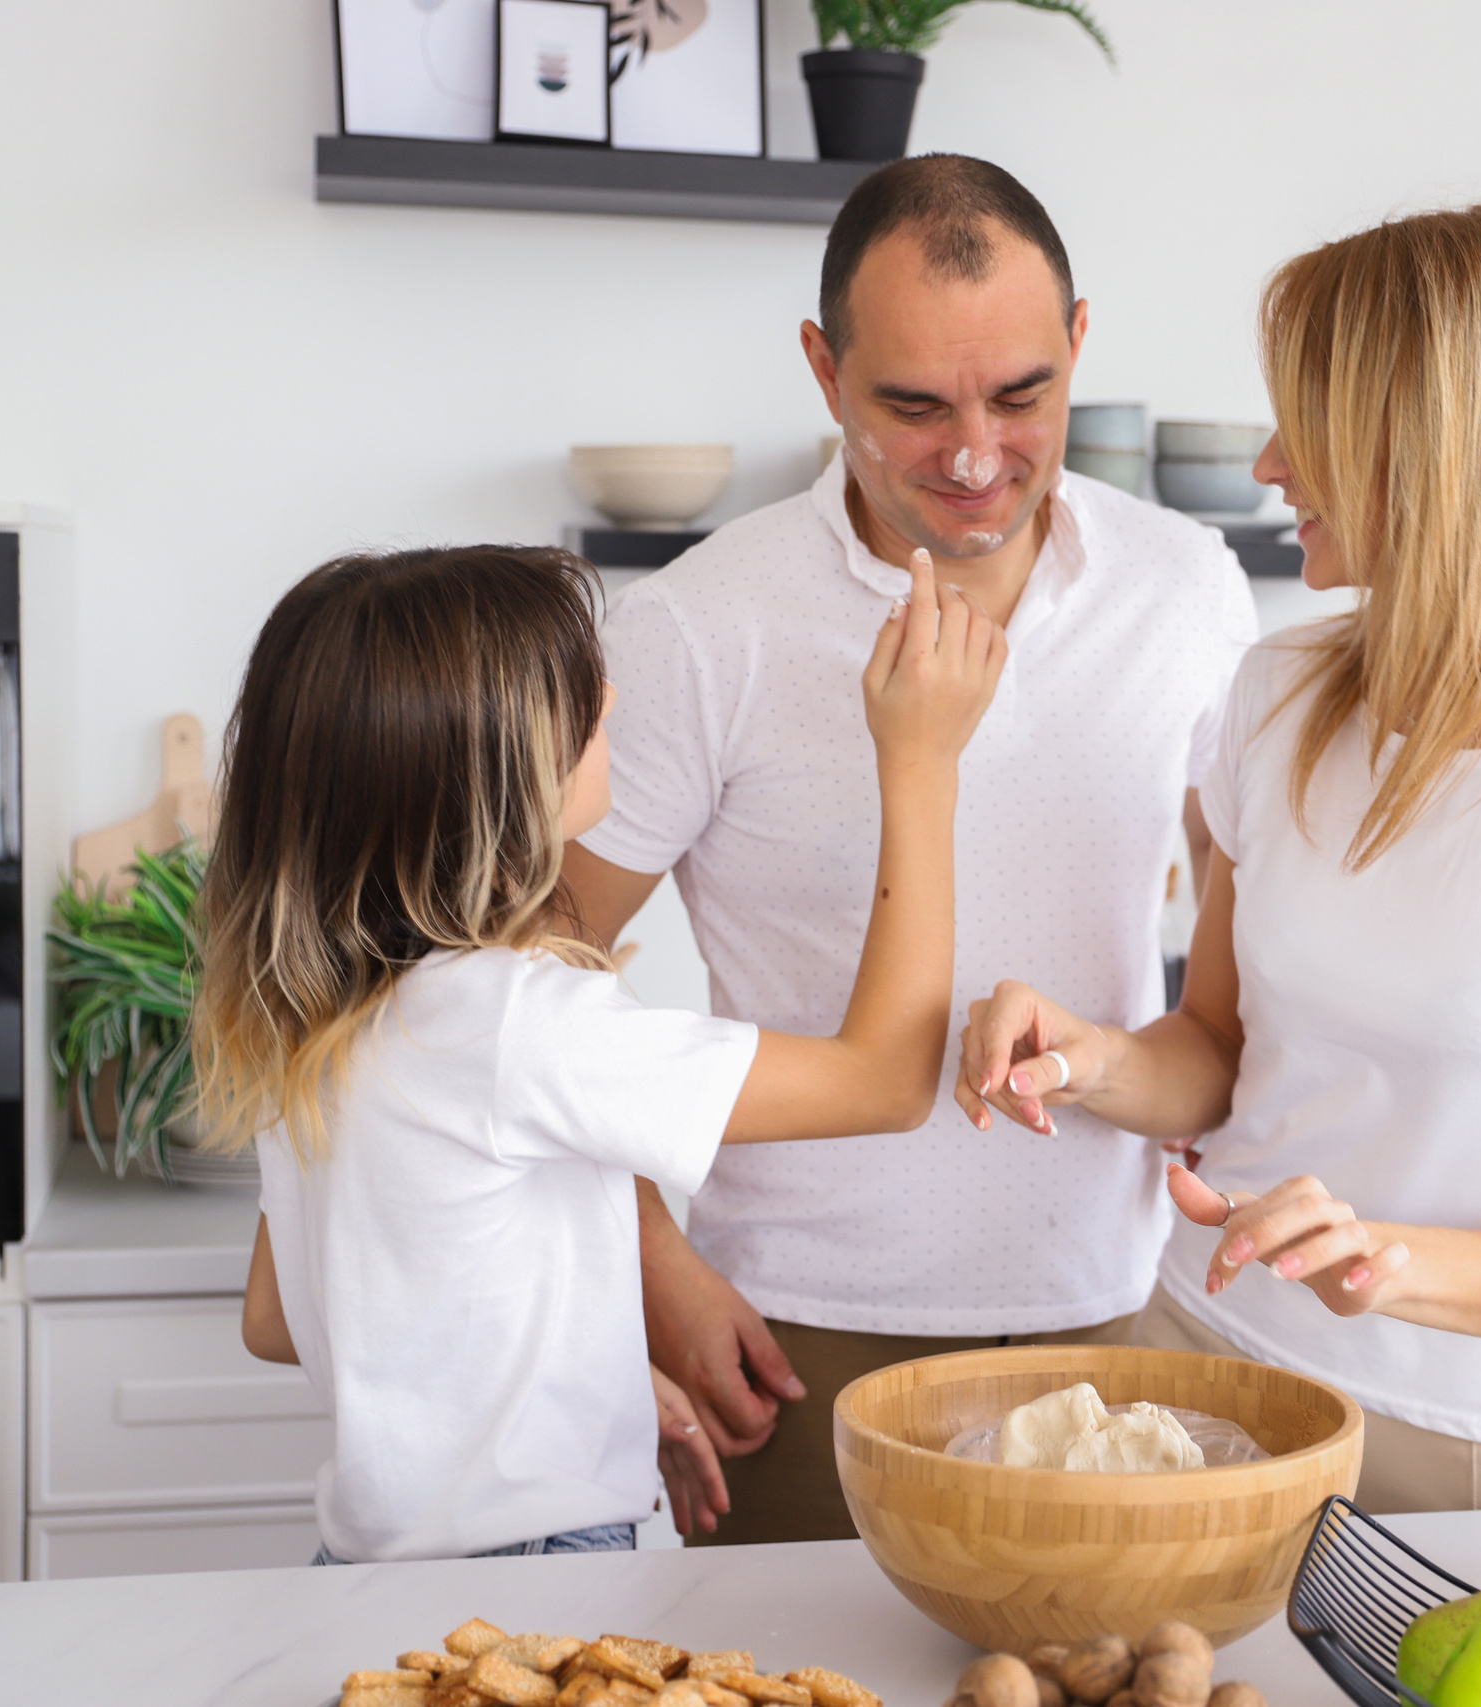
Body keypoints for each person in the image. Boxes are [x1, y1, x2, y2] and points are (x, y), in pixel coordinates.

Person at [955, 205, 1481, 1514]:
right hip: (1204, 1357)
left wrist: (1387, 1257)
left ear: (1438, 451)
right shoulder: (1280, 689)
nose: (1272, 465)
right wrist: (1090, 1057)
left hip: (1472, 1435)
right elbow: (1220, 1048)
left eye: (1313, 427)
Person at [559, 154, 1258, 1543]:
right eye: (913, 405)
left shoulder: (1188, 592)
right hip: (798, 1340)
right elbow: (531, 973)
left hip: (1115, 1314)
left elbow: (1235, 994)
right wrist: (651, 1260)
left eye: (1021, 394)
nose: (977, 453)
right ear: (824, 371)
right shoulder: (705, 626)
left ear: (1078, 346)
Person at [208, 542, 1004, 1562]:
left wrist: (583, 1386)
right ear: (487, 772)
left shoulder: (324, 1016)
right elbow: (887, 1082)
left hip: (368, 1567)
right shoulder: (512, 1019)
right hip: (531, 1575)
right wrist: (922, 762)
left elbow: (280, 1321)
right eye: (579, 694)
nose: (614, 695)